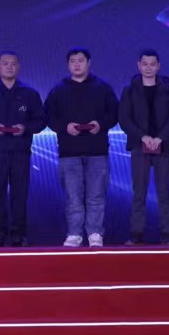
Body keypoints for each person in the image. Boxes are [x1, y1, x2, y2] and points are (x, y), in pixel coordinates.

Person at [45, 48, 118, 248]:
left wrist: (100, 124)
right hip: (69, 152)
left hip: (97, 151)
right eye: (73, 61)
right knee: (73, 198)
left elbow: (114, 114)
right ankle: (74, 234)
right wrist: (65, 127)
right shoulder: (58, 90)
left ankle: (95, 233)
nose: (77, 64)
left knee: (96, 197)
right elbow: (49, 117)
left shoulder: (103, 88)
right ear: (68, 65)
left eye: (81, 60)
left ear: (89, 63)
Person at [0, 51, 46, 247]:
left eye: (13, 63)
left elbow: (41, 121)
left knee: (19, 194)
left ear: (18, 67)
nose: (9, 66)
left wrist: (25, 128)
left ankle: (18, 234)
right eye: (5, 63)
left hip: (20, 151)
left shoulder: (30, 94)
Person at [118, 49, 169, 245]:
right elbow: (124, 119)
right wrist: (143, 137)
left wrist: (161, 138)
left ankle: (167, 234)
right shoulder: (129, 90)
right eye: (145, 64)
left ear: (158, 66)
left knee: (164, 192)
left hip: (164, 146)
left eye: (152, 64)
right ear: (139, 66)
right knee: (139, 192)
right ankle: (136, 234)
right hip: (140, 146)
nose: (148, 68)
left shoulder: (168, 89)